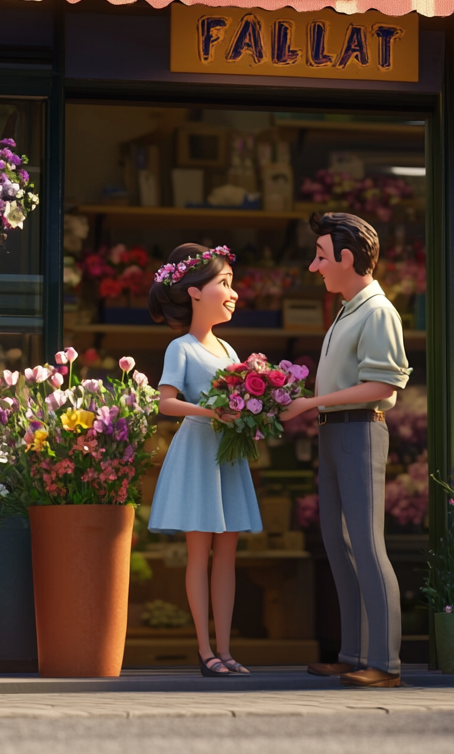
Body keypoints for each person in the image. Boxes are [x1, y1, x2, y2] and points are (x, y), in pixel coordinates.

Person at [281, 213, 412, 688]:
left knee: (366, 545)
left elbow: (383, 384)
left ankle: (385, 663)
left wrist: (311, 402)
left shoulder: (378, 311)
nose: (315, 267)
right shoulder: (348, 309)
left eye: (320, 257)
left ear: (347, 258)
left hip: (359, 431)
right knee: (338, 543)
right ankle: (355, 652)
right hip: (335, 432)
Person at [147, 243, 265, 677]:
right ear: (194, 292)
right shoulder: (181, 348)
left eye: (231, 284)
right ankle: (204, 649)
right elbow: (165, 403)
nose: (233, 293)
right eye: (224, 284)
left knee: (228, 553)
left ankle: (227, 649)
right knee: (200, 553)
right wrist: (213, 412)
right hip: (198, 451)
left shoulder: (231, 352)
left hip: (227, 454)